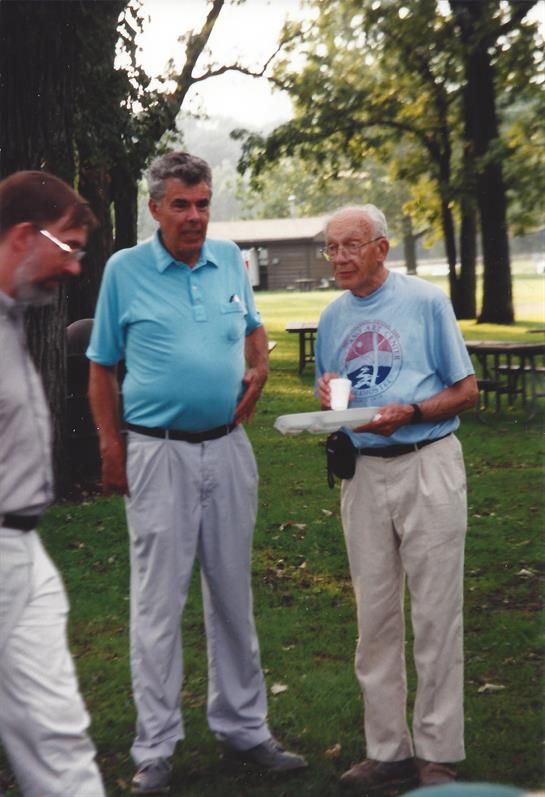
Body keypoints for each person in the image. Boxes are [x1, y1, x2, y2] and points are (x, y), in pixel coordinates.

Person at [87, 151, 307, 794]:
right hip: (157, 452)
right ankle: (155, 746)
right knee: (158, 602)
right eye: (180, 204)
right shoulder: (124, 271)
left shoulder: (229, 260)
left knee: (233, 593)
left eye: (203, 202)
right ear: (154, 207)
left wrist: (260, 372)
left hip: (229, 449)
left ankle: (244, 727)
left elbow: (254, 332)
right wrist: (109, 447)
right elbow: (102, 366)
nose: (194, 216)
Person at [315, 205, 478, 791]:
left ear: (381, 248)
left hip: (426, 464)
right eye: (331, 248)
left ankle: (437, 755)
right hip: (363, 475)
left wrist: (410, 412)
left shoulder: (426, 303)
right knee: (375, 619)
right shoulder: (332, 317)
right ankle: (387, 752)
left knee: (436, 614)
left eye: (351, 246)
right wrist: (330, 397)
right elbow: (338, 393)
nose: (339, 258)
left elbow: (466, 391)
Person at [0, 170, 105, 796]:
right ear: (21, 236)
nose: (73, 269)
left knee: (57, 728)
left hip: (24, 549)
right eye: (68, 248)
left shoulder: (11, 317)